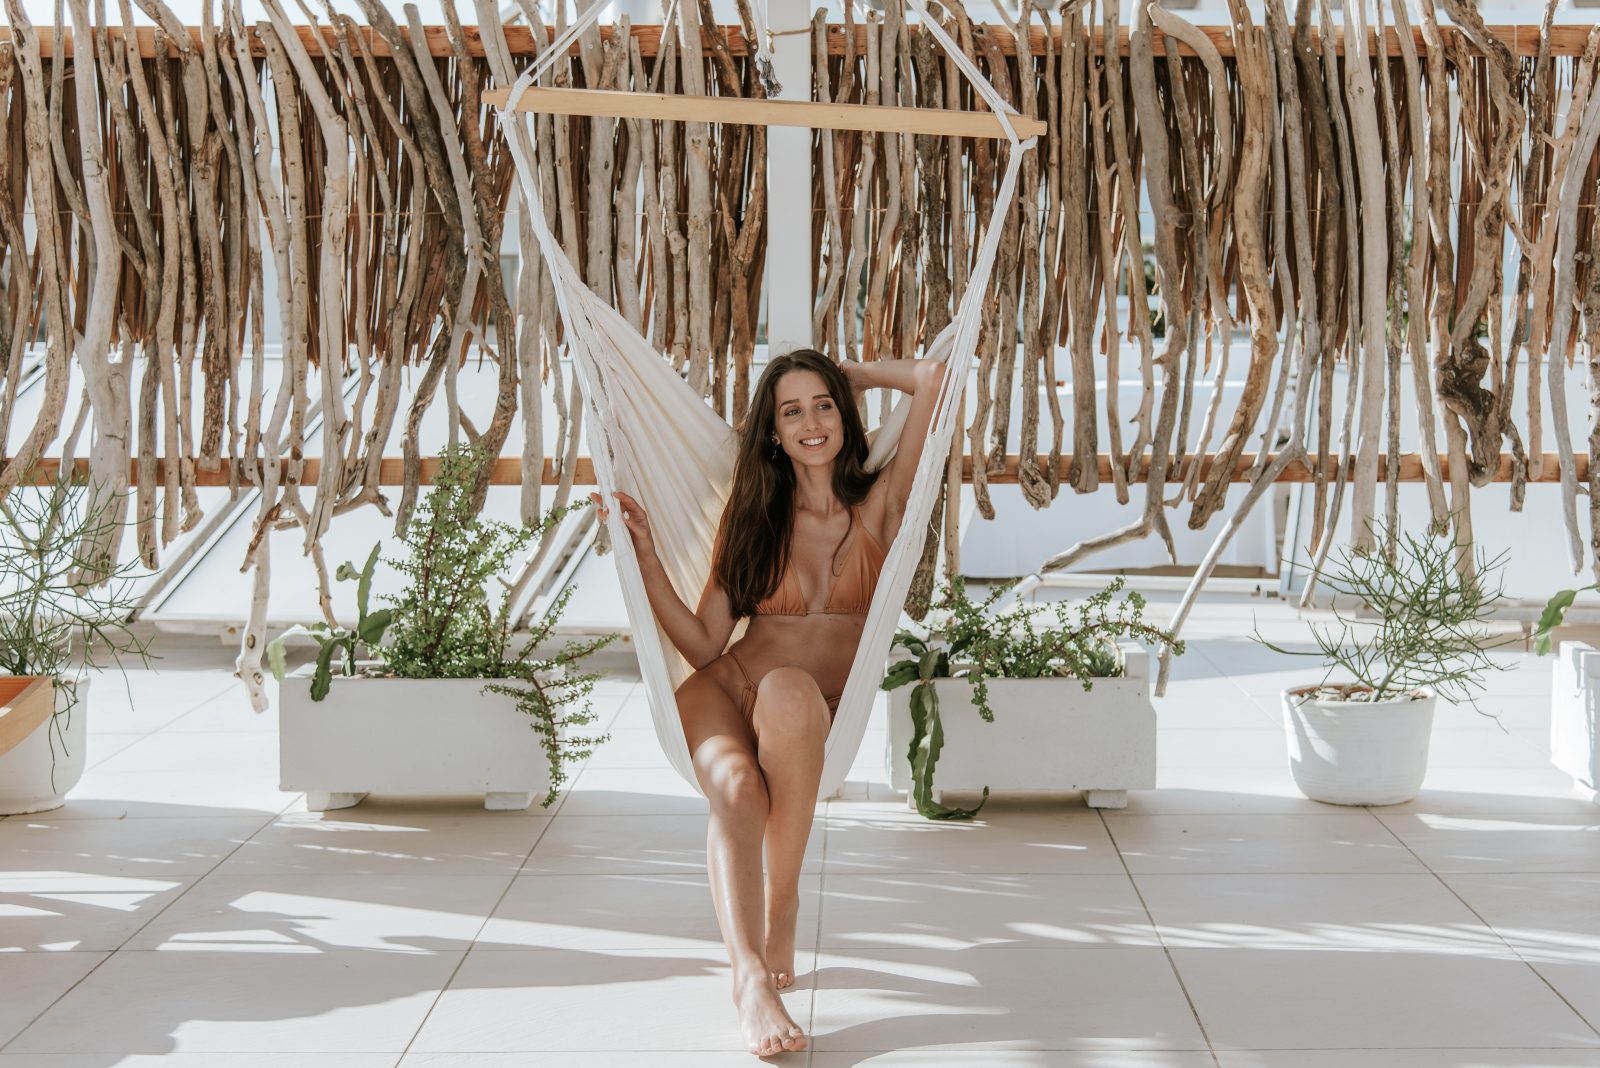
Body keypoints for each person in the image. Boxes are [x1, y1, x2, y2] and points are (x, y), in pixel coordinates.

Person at [593, 348, 945, 1057]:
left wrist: (859, 375)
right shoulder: (753, 517)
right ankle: (749, 978)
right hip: (726, 690)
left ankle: (780, 907)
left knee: (789, 693)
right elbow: (702, 645)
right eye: (791, 412)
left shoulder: (881, 508)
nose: (811, 423)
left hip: (807, 706)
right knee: (738, 790)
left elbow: (934, 380)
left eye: (823, 405)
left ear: (844, 417)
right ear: (773, 434)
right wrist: (650, 562)